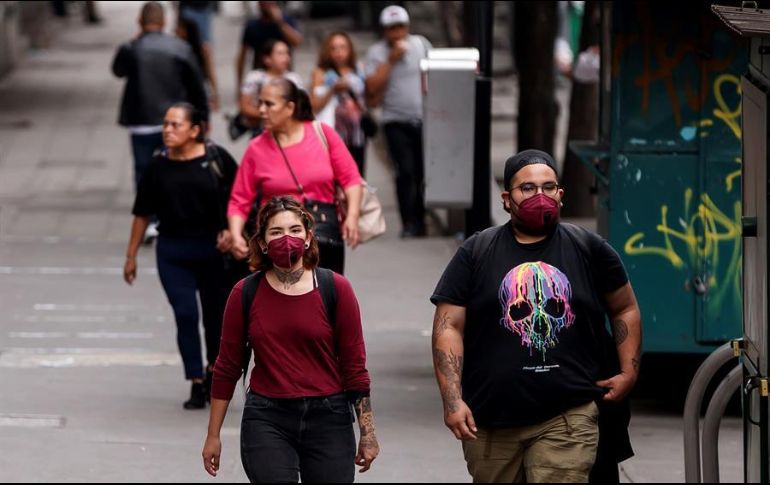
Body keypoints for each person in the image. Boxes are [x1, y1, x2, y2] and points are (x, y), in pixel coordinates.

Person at [430, 149, 641, 483]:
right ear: (506, 199)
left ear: (560, 194)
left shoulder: (590, 249)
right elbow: (448, 326)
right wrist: (452, 399)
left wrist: (629, 371)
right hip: (491, 421)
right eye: (527, 188)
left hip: (568, 416)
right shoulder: (476, 253)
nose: (539, 195)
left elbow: (624, 308)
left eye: (548, 187)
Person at [202, 196, 379, 483]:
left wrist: (368, 433)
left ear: (308, 238)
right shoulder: (245, 293)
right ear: (262, 243)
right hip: (267, 417)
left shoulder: (336, 289)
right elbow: (227, 367)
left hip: (329, 417)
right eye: (276, 232)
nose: (287, 238)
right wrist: (213, 435)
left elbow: (355, 367)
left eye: (295, 230)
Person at [123, 103, 237, 410]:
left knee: (215, 318)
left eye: (175, 125)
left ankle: (214, 371)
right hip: (173, 251)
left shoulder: (217, 160)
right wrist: (131, 255)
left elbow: (240, 199)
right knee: (185, 314)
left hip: (214, 251)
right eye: (165, 124)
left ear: (195, 130)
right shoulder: (158, 166)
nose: (168, 130)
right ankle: (196, 379)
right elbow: (142, 212)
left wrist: (233, 231)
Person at [227, 78, 363, 275]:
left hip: (323, 236)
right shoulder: (256, 148)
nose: (262, 110)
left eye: (269, 104)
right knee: (282, 294)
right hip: (277, 243)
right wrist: (235, 234)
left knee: (324, 292)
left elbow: (351, 178)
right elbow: (240, 199)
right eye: (260, 103)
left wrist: (352, 217)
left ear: (290, 107)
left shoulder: (321, 134)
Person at [112, 1, 208, 241]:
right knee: (176, 166)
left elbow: (118, 70)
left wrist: (133, 42)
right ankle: (171, 215)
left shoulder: (132, 48)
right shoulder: (180, 47)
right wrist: (202, 117)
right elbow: (196, 85)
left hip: (142, 119)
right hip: (175, 120)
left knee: (143, 170)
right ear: (164, 21)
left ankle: (149, 219)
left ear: (140, 21)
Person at [365, 5, 431, 238]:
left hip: (423, 119)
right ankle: (408, 222)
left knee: (423, 173)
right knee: (405, 171)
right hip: (394, 120)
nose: (397, 33)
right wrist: (391, 60)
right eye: (391, 28)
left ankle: (421, 220)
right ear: (384, 30)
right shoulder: (377, 52)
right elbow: (371, 87)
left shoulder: (420, 45)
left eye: (400, 27)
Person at [310, 32, 368, 177]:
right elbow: (314, 105)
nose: (339, 52)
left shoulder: (358, 68)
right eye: (334, 48)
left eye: (343, 47)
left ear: (350, 49)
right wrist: (332, 89)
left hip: (357, 133)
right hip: (334, 134)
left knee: (357, 176)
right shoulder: (320, 73)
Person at [235, 1, 302, 99]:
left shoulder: (287, 21)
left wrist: (279, 22)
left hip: (283, 74)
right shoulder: (252, 26)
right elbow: (242, 56)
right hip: (260, 76)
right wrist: (239, 85)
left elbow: (297, 42)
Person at [238, 39, 304, 137]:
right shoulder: (255, 77)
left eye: (287, 53)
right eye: (280, 54)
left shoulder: (294, 79)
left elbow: (302, 105)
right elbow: (244, 106)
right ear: (267, 59)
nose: (286, 58)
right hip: (260, 129)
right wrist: (268, 115)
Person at [176, 9, 220, 112]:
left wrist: (215, 95)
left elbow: (210, 73)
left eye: (179, 28)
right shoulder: (177, 48)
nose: (176, 30)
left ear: (186, 31)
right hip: (189, 91)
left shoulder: (202, 49)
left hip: (197, 90)